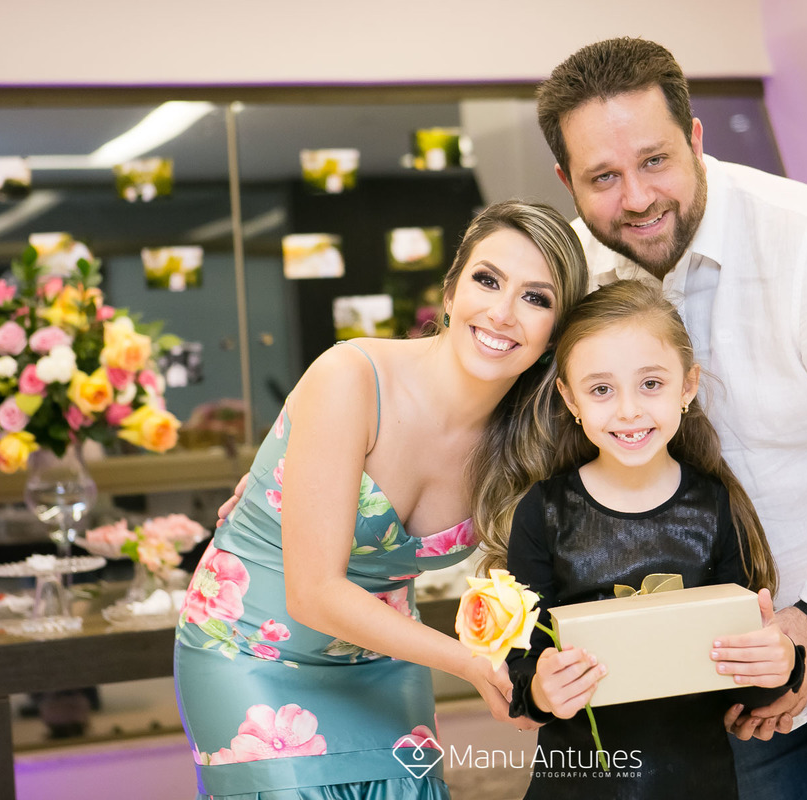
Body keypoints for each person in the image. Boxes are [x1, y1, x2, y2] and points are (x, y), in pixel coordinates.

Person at [534, 37, 807, 799]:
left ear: (695, 139)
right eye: (603, 177)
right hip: (723, 647)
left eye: (655, 161)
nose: (636, 198)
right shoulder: (572, 270)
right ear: (565, 180)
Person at [174, 200, 589, 800]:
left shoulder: (530, 443)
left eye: (536, 298)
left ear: (555, 333)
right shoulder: (351, 377)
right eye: (487, 279)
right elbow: (313, 591)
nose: (502, 313)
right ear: (450, 291)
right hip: (248, 650)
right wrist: (472, 664)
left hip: (382, 658)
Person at [501, 279, 805, 798]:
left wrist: (781, 664)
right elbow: (521, 670)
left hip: (698, 786)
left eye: (650, 384)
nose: (628, 410)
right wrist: (542, 690)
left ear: (687, 386)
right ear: (570, 398)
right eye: (601, 389)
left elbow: (745, 686)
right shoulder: (543, 512)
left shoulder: (715, 506)